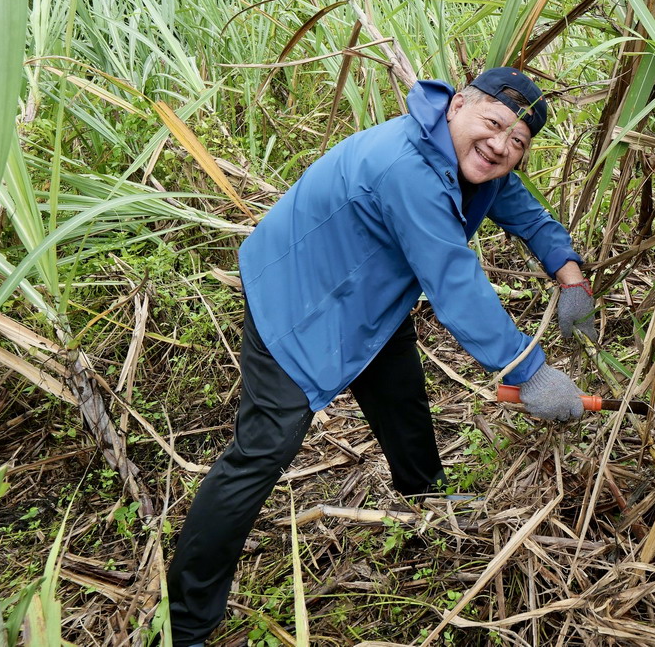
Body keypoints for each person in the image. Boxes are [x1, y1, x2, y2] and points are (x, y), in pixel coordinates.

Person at [164, 67, 597, 646]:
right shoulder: (408, 167)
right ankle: (185, 624)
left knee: (397, 390)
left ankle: (426, 498)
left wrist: (571, 278)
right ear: (458, 105)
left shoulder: (473, 161)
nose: (499, 146)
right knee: (263, 449)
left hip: (364, 292)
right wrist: (529, 372)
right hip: (299, 297)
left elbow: (527, 215)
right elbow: (454, 281)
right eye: (492, 125)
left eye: (516, 142)